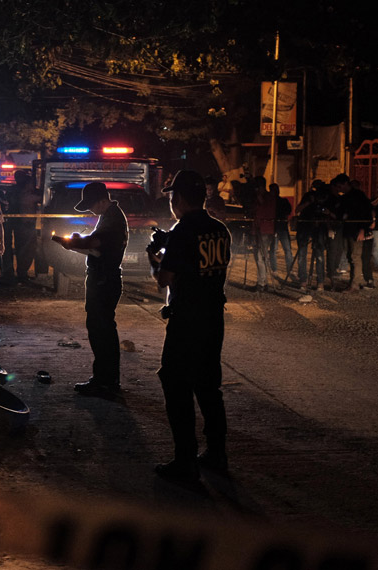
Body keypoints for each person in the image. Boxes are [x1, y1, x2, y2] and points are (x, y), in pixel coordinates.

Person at [147, 170, 231, 483]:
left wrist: (155, 256)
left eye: (171, 197)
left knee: (175, 384)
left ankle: (185, 461)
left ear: (177, 198)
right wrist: (172, 243)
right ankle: (217, 453)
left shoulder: (182, 231)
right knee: (209, 386)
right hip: (213, 317)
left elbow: (163, 280)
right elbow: (201, 260)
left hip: (186, 320)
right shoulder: (219, 229)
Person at [53, 182, 127, 399]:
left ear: (102, 200)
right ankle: (105, 379)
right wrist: (76, 244)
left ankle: (106, 381)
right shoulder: (109, 216)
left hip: (104, 281)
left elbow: (95, 243)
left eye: (91, 206)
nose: (90, 211)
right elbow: (96, 250)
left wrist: (72, 243)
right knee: (101, 330)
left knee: (101, 331)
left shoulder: (112, 219)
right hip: (103, 278)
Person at [1, 170, 40, 283]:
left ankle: (9, 274)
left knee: (8, 248)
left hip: (13, 223)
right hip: (25, 224)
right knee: (25, 250)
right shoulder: (27, 194)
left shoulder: (13, 191)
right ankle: (21, 274)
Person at [340, 177, 375, 292]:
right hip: (349, 230)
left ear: (346, 184)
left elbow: (366, 213)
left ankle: (355, 284)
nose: (340, 189)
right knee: (351, 256)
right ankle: (353, 282)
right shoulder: (346, 197)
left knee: (355, 257)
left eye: (341, 186)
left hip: (356, 231)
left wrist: (362, 229)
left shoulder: (358, 196)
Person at [294, 181, 328, 290]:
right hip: (304, 226)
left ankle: (320, 282)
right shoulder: (308, 196)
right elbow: (297, 210)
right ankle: (303, 281)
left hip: (318, 228)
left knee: (319, 255)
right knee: (302, 254)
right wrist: (309, 202)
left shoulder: (325, 197)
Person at [250, 176, 274, 292]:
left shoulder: (269, 197)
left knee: (261, 256)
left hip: (265, 229)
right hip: (257, 229)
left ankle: (262, 283)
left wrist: (259, 196)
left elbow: (266, 208)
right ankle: (262, 281)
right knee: (258, 256)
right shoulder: (256, 198)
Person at [268, 183, 294, 280]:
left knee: (285, 250)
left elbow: (288, 211)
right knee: (276, 250)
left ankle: (287, 269)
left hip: (280, 227)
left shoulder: (282, 201)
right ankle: (276, 269)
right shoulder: (276, 201)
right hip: (277, 227)